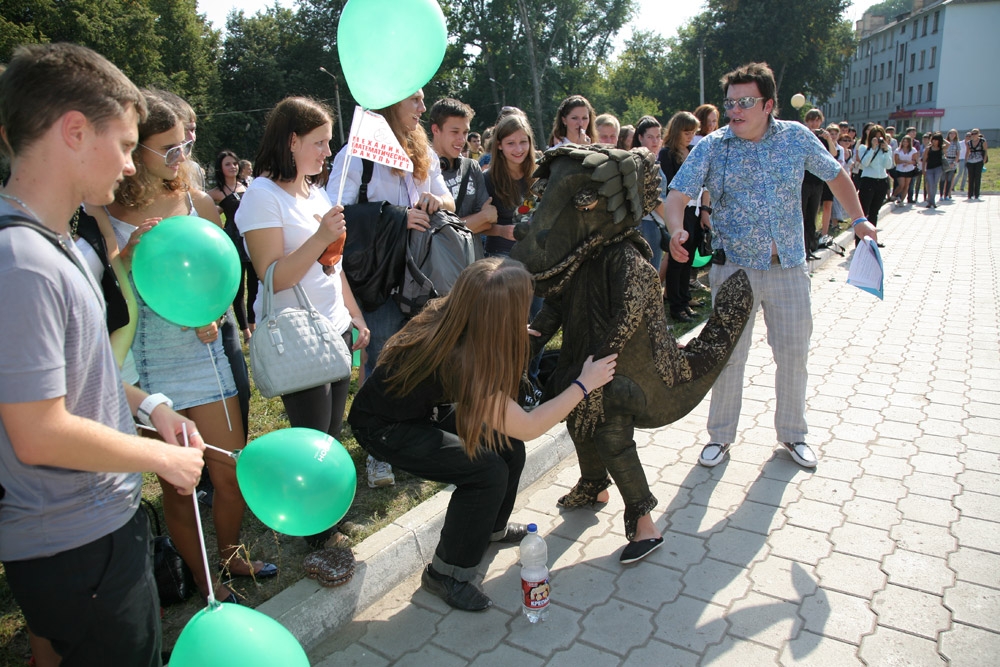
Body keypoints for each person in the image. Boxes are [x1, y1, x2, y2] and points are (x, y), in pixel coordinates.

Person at [0, 42, 204, 666]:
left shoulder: (64, 247)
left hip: (97, 525)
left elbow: (84, 380)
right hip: (73, 540)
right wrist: (157, 459)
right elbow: (38, 432)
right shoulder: (23, 263)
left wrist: (155, 408)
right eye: (123, 143)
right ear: (74, 131)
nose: (128, 165)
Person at [348, 257, 617, 610]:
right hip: (385, 427)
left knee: (507, 448)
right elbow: (531, 425)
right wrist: (585, 384)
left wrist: (509, 330)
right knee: (486, 472)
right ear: (498, 314)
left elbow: (513, 427)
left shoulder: (456, 314)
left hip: (423, 408)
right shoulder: (465, 362)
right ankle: (446, 573)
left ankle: (491, 529)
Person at [664, 62, 878, 470]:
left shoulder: (796, 138)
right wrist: (676, 230)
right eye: (730, 103)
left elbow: (836, 177)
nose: (735, 111)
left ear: (769, 104)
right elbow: (677, 195)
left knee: (793, 355)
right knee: (728, 356)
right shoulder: (713, 145)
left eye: (745, 102)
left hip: (789, 268)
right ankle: (720, 438)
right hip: (734, 271)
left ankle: (793, 435)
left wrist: (860, 218)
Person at [107, 90, 274, 600]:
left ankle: (230, 555)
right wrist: (125, 253)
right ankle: (206, 582)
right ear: (138, 150)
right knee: (179, 484)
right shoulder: (104, 204)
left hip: (203, 356)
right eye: (170, 148)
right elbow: (103, 285)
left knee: (230, 470)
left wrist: (214, 315)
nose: (183, 158)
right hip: (150, 366)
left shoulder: (198, 202)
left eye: (186, 146)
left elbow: (216, 276)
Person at [238, 97, 368, 547]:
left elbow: (333, 265)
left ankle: (327, 517)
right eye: (319, 142)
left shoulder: (316, 192)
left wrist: (353, 314)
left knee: (332, 433)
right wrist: (320, 235)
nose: (326, 152)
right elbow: (272, 277)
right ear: (292, 141)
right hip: (296, 334)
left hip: (332, 326)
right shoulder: (260, 196)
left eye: (329, 142)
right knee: (313, 438)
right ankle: (317, 533)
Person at [328, 88, 455, 488]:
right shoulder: (356, 153)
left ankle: (414, 432)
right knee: (380, 356)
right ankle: (377, 450)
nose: (421, 107)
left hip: (421, 274)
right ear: (388, 104)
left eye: (421, 100)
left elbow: (448, 200)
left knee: (423, 353)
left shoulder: (424, 152)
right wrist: (397, 218)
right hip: (378, 278)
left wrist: (437, 200)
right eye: (413, 100)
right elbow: (332, 213)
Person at [658, 111, 706, 322]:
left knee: (689, 257)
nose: (690, 136)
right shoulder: (667, 153)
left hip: (695, 209)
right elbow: (669, 185)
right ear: (677, 131)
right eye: (686, 132)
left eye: (693, 132)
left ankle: (685, 299)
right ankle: (676, 305)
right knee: (678, 258)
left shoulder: (692, 151)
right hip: (679, 210)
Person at [428, 97, 497, 233]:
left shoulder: (472, 167)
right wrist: (480, 217)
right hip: (438, 254)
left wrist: (482, 219)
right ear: (436, 130)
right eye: (455, 132)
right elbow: (431, 230)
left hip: (473, 254)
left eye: (465, 132)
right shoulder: (421, 169)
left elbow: (487, 224)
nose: (462, 140)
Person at [208, 149, 256, 342]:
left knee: (254, 286)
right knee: (238, 288)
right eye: (227, 164)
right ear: (221, 168)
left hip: (251, 239)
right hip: (232, 242)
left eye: (235, 163)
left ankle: (254, 326)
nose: (232, 167)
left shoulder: (247, 186)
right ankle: (245, 331)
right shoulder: (215, 192)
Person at [483, 112, 537, 258]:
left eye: (523, 142)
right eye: (511, 143)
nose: (519, 149)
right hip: (500, 254)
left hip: (535, 252)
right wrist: (501, 230)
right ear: (499, 145)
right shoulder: (488, 179)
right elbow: (478, 225)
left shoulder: (540, 174)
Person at [630, 115, 666, 271]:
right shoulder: (642, 161)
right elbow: (654, 200)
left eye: (658, 137)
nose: (655, 141)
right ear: (640, 137)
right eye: (650, 137)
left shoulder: (652, 160)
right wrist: (672, 223)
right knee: (649, 274)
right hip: (647, 224)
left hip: (652, 224)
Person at [855, 124, 894, 243]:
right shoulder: (863, 148)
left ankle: (873, 240)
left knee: (874, 212)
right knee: (864, 212)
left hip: (881, 181)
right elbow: (865, 163)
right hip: (868, 181)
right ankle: (860, 240)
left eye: (881, 137)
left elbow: (888, 165)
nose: (879, 140)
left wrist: (886, 150)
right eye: (876, 137)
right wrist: (872, 148)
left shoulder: (887, 149)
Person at [921, 132, 947, 209]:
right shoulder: (928, 148)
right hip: (929, 168)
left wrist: (941, 137)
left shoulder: (941, 148)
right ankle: (930, 201)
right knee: (930, 184)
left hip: (938, 168)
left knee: (935, 184)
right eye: (933, 140)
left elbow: (948, 144)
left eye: (936, 140)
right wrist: (923, 169)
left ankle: (932, 201)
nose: (934, 141)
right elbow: (924, 159)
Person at [891, 135, 919, 206]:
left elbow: (915, 161)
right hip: (900, 169)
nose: (905, 143)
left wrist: (908, 163)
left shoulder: (913, 150)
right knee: (901, 185)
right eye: (904, 141)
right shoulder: (898, 150)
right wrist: (904, 161)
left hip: (909, 169)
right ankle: (894, 195)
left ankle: (902, 201)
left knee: (906, 186)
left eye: (907, 141)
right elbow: (897, 161)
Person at [965, 128, 988, 201]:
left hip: (979, 160)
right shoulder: (969, 142)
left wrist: (984, 160)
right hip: (971, 161)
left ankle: (976, 194)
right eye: (972, 133)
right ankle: (970, 194)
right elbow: (967, 152)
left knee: (977, 177)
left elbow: (985, 150)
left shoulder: (982, 141)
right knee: (971, 178)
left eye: (975, 133)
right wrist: (966, 161)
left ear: (978, 134)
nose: (974, 135)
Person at [941, 128, 961, 201]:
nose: (952, 135)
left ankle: (948, 193)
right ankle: (942, 194)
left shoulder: (956, 143)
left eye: (954, 134)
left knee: (950, 179)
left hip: (953, 161)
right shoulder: (945, 142)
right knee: (943, 178)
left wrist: (954, 162)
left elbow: (958, 154)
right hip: (945, 161)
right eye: (950, 133)